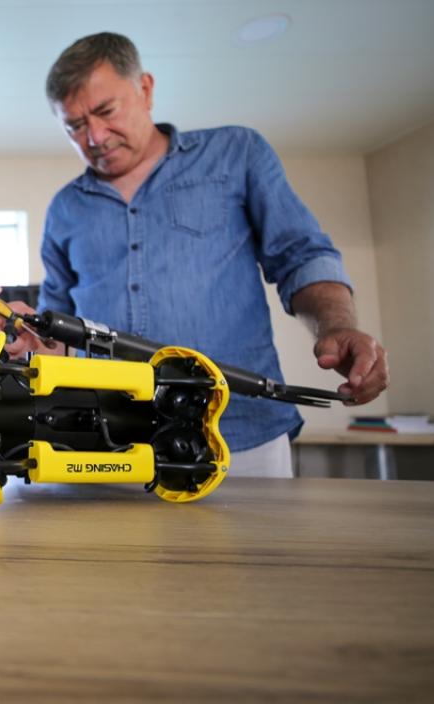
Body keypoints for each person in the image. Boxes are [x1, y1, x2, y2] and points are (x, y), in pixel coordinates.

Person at [35, 32, 389, 478]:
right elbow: (57, 323)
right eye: (75, 126)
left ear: (145, 88)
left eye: (106, 112)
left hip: (239, 434)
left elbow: (300, 255)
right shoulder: (65, 208)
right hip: (107, 442)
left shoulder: (236, 154)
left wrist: (338, 326)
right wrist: (27, 340)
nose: (95, 137)